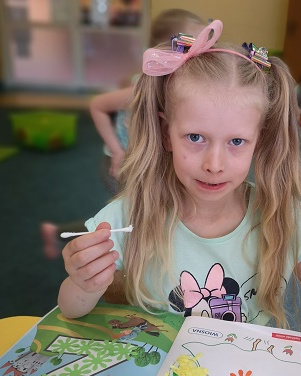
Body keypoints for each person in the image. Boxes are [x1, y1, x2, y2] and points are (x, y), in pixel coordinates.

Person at [58, 21, 301, 376]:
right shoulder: (128, 215)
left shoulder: (281, 215)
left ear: (260, 139)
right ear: (166, 132)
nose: (214, 164)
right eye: (195, 137)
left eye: (236, 142)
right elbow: (72, 310)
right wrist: (84, 284)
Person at [40, 8, 206, 259]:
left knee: (146, 215)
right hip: (122, 165)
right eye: (190, 46)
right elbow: (98, 106)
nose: (199, 54)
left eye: (203, 45)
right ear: (164, 50)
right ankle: (64, 237)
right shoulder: (143, 88)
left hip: (144, 162)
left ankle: (59, 234)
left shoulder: (180, 85)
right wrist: (117, 152)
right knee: (132, 219)